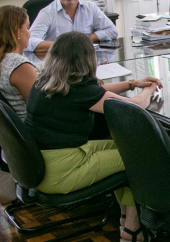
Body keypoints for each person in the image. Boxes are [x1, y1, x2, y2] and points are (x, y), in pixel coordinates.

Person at [25, 31, 162, 241]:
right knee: (141, 155)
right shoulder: (79, 89)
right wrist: (149, 89)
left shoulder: (46, 79)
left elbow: (100, 92)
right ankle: (134, 228)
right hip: (63, 171)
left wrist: (133, 84)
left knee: (122, 144)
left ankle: (126, 219)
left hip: (40, 165)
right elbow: (135, 106)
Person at [26, 0, 118, 52]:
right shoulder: (47, 12)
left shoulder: (90, 8)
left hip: (85, 60)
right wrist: (65, 44)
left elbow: (112, 31)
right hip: (57, 60)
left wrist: (84, 39)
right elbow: (30, 42)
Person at [0, 6, 38, 120]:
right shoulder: (20, 66)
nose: (29, 33)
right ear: (16, 31)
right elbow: (42, 107)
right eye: (27, 27)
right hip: (35, 131)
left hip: (16, 131)